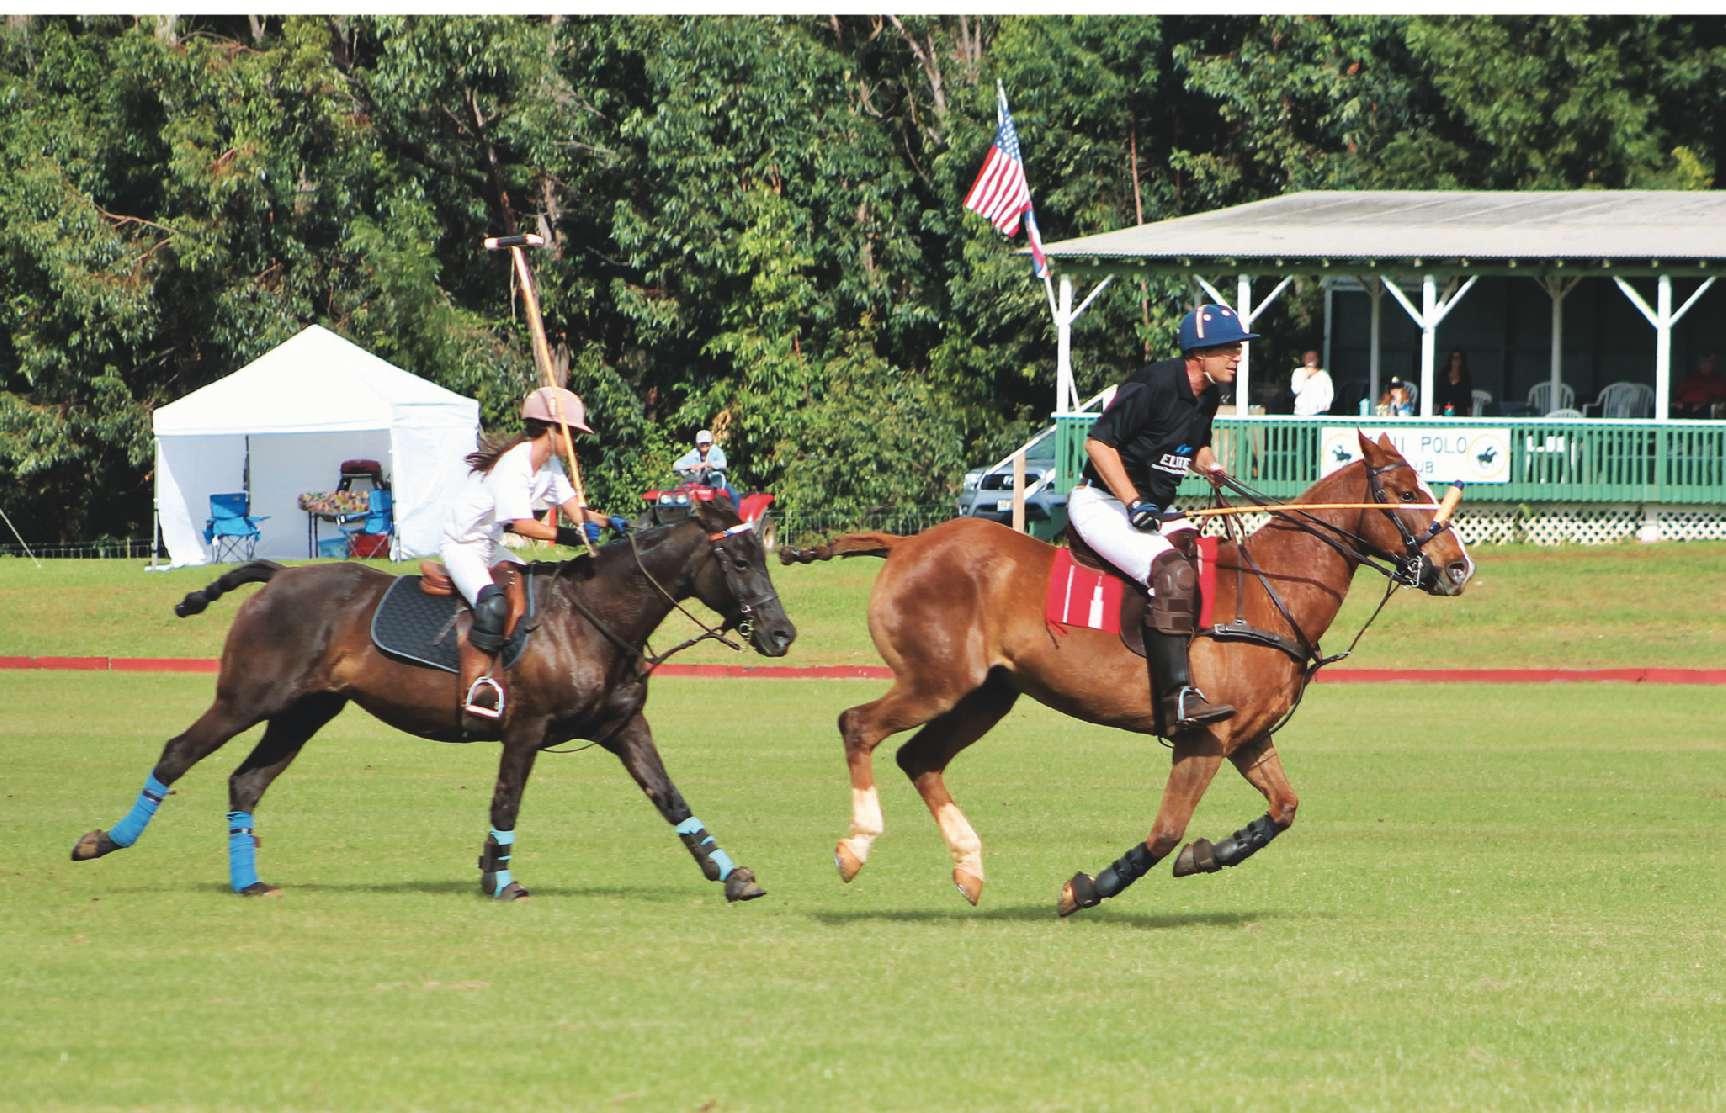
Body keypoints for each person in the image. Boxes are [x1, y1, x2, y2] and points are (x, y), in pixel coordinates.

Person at [1069, 303, 1247, 734]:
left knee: (1211, 560)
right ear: (1198, 353)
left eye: (1239, 348)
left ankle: (1201, 668)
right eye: (1228, 348)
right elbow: (1098, 443)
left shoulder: (1209, 395)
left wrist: (1208, 465)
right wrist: (1133, 502)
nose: (1238, 357)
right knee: (1172, 573)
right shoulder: (1153, 385)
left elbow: (1194, 447)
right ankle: (1175, 698)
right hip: (1103, 503)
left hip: (1154, 508)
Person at [440, 386, 622, 718]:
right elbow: (521, 524)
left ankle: (521, 672)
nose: (574, 442)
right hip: (462, 546)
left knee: (533, 594)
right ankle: (478, 683)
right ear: (551, 430)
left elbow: (575, 510)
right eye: (571, 433)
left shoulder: (550, 466)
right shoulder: (515, 465)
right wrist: (568, 536)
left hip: (490, 546)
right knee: (493, 605)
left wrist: (609, 521)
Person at [673, 429, 738, 506]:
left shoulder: (716, 451)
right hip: (697, 482)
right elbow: (676, 465)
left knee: (734, 496)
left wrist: (706, 464)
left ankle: (736, 513)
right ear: (697, 444)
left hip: (716, 481)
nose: (704, 445)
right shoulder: (694, 453)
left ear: (711, 443)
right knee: (678, 493)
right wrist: (690, 467)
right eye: (702, 443)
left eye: (707, 443)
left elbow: (723, 464)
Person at [1672, 352, 1725, 418]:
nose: (1705, 365)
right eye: (1702, 362)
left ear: (1713, 364)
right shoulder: (1691, 379)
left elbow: (1721, 399)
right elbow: (1678, 394)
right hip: (1684, 407)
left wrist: (1703, 404)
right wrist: (1678, 402)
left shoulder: (1718, 381)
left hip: (1705, 409)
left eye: (1708, 362)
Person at [1290, 350, 1334, 417]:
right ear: (1304, 359)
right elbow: (1295, 390)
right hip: (1301, 412)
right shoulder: (1298, 372)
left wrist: (1326, 405)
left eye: (1313, 357)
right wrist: (1306, 375)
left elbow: (1329, 392)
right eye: (1308, 357)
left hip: (1319, 412)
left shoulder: (1324, 374)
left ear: (1317, 360)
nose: (1311, 359)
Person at [1433, 350, 1474, 416]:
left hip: (1460, 412)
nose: (1455, 360)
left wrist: (1469, 416)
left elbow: (1468, 399)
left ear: (1461, 360)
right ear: (1450, 360)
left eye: (1458, 358)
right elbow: (1437, 396)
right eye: (1453, 358)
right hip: (1444, 410)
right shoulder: (1443, 375)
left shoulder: (1465, 377)